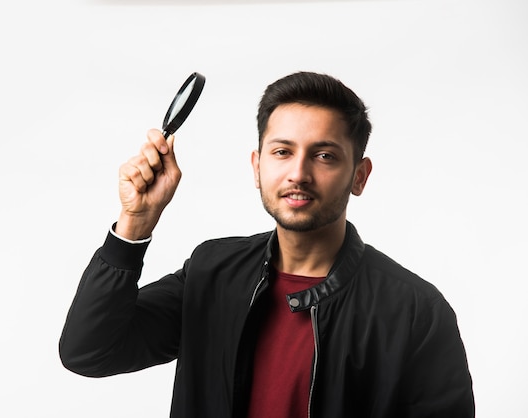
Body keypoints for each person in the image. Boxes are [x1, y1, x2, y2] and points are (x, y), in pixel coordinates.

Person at [59, 72, 475, 417]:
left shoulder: (416, 312)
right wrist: (135, 223)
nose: (298, 172)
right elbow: (90, 352)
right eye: (282, 151)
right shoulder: (211, 273)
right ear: (257, 167)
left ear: (359, 176)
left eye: (325, 155)